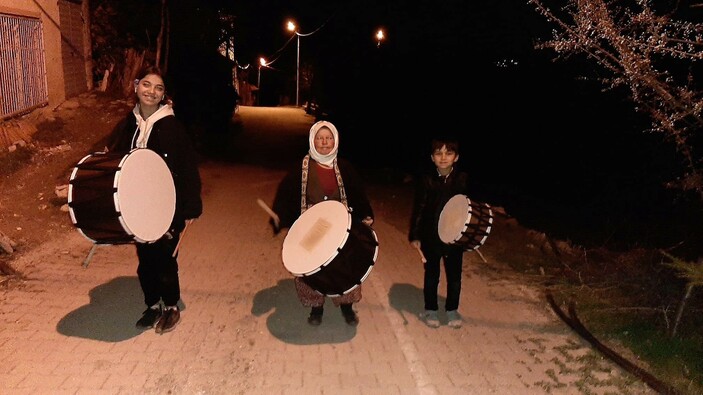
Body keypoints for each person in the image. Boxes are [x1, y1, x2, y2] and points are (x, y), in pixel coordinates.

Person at [107, 66, 203, 334]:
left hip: (166, 206)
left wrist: (192, 206)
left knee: (165, 258)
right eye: (147, 85)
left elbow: (187, 168)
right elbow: (113, 158)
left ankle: (171, 306)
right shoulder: (128, 123)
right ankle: (152, 305)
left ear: (164, 96)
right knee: (145, 259)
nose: (151, 91)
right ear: (136, 87)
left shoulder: (172, 126)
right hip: (136, 205)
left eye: (158, 88)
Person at [271, 120, 374, 326]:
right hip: (311, 226)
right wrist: (280, 217)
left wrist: (365, 214)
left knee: (345, 264)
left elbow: (358, 193)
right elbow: (286, 194)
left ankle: (347, 305)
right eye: (320, 138)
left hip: (339, 226)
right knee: (311, 267)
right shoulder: (302, 168)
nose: (324, 142)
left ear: (335, 140)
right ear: (313, 140)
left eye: (328, 138)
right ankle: (316, 307)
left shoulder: (345, 167)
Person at [408, 137, 469, 329]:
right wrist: (415, 235)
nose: (443, 157)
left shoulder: (462, 179)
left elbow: (469, 207)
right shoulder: (426, 180)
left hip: (454, 236)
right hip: (430, 235)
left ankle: (452, 309)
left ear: (456, 157)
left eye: (448, 153)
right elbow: (419, 208)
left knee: (454, 276)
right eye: (438, 153)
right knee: (432, 274)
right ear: (432, 158)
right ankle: (431, 309)